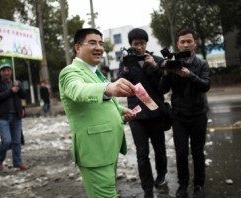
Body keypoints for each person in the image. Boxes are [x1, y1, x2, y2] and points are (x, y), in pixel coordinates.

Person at [59, 28, 137, 197]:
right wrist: (109, 87)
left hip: (107, 148)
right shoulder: (70, 72)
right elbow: (79, 91)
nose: (99, 47)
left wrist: (121, 111)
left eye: (101, 43)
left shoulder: (96, 73)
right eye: (92, 43)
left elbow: (101, 106)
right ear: (77, 47)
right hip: (94, 152)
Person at [159, 28, 210, 198]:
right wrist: (166, 73)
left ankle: (199, 186)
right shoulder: (173, 64)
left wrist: (189, 75)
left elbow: (205, 86)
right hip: (179, 115)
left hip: (198, 115)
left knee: (197, 151)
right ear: (178, 44)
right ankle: (183, 185)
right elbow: (162, 89)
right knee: (181, 152)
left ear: (194, 43)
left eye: (189, 41)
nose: (186, 44)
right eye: (183, 42)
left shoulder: (201, 64)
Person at [118, 28, 168, 198]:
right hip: (137, 114)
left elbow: (162, 86)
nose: (139, 47)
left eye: (142, 43)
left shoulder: (155, 60)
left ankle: (161, 175)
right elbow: (120, 83)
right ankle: (147, 188)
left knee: (160, 149)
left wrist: (154, 67)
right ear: (130, 45)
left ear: (146, 43)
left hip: (155, 112)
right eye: (135, 44)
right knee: (142, 153)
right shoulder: (126, 62)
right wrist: (125, 67)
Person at [0, 58, 28, 171]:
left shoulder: (16, 83)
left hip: (16, 116)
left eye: (8, 70)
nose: (6, 72)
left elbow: (24, 96)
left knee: (17, 141)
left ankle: (17, 161)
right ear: (0, 72)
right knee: (7, 140)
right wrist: (11, 90)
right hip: (2, 117)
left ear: (11, 71)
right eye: (4, 70)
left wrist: (19, 88)